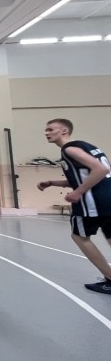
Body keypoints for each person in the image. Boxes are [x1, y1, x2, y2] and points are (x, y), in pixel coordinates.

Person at [37, 119, 111, 294]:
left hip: (92, 203)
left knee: (79, 237)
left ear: (64, 131)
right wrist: (52, 182)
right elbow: (85, 176)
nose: (46, 133)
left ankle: (110, 278)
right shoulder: (87, 146)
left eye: (50, 129)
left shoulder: (69, 149)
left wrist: (78, 192)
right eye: (46, 130)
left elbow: (101, 170)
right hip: (108, 198)